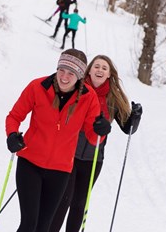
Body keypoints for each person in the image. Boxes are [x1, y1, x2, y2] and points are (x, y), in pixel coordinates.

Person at [5, 49, 112, 232]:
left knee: (44, 227)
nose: (64, 76)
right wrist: (12, 135)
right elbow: (14, 116)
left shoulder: (88, 98)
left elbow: (93, 137)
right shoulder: (38, 87)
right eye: (61, 70)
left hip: (60, 170)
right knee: (29, 224)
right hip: (30, 162)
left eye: (71, 73)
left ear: (79, 76)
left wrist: (101, 130)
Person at [49, 55, 143, 232]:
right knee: (63, 200)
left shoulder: (114, 98)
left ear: (109, 74)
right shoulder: (77, 90)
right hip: (68, 155)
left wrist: (135, 118)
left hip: (93, 159)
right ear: (89, 70)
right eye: (96, 66)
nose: (100, 70)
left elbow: (127, 127)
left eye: (104, 68)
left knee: (79, 203)